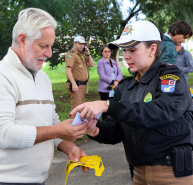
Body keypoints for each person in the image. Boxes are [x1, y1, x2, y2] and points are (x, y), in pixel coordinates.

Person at [0, 8, 97, 185]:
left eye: (51, 46)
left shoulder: (43, 78)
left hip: (37, 180)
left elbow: (50, 122)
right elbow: (1, 134)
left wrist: (67, 146)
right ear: (22, 39)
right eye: (43, 46)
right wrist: (57, 131)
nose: (49, 53)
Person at [70, 20, 193, 184]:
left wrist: (107, 105)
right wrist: (94, 128)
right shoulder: (126, 86)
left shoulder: (171, 78)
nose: (126, 55)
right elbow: (117, 129)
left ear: (153, 49)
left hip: (172, 173)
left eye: (133, 49)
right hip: (138, 173)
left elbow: (160, 112)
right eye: (125, 50)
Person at [65, 36, 94, 116]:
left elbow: (91, 64)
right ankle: (73, 127)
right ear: (74, 43)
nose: (82, 46)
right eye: (80, 44)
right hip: (76, 86)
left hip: (82, 86)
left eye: (83, 44)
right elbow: (68, 70)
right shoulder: (71, 54)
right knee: (76, 110)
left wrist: (88, 54)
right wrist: (73, 84)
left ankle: (80, 128)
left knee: (81, 110)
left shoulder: (81, 55)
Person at [97, 45, 123, 120]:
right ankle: (104, 123)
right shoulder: (100, 62)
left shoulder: (114, 61)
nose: (107, 53)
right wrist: (112, 81)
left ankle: (112, 122)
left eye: (109, 51)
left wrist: (117, 81)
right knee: (105, 108)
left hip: (114, 87)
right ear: (102, 52)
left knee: (113, 106)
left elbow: (120, 73)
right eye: (105, 51)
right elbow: (102, 76)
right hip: (105, 89)